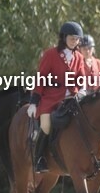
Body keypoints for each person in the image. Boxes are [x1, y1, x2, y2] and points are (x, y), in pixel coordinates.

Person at [28, 21, 88, 173]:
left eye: (77, 39)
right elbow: (41, 79)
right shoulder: (51, 54)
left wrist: (81, 91)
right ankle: (40, 159)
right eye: (72, 38)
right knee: (46, 126)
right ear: (64, 37)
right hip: (51, 100)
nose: (75, 41)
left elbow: (81, 79)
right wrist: (34, 102)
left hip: (72, 99)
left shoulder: (79, 57)